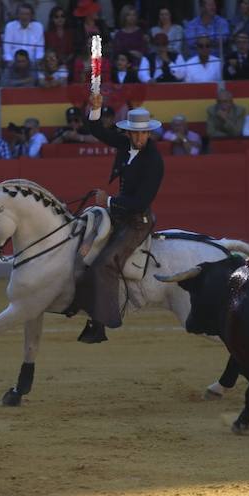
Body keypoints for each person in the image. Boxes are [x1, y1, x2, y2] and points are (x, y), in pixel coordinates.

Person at [73, 92, 164, 343]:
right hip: (120, 213)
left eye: (143, 133)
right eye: (134, 133)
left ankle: (101, 323)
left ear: (149, 133)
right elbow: (98, 131)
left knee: (105, 264)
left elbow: (141, 203)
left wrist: (109, 201)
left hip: (137, 221)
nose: (138, 137)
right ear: (128, 132)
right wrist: (96, 109)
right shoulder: (125, 144)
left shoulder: (154, 161)